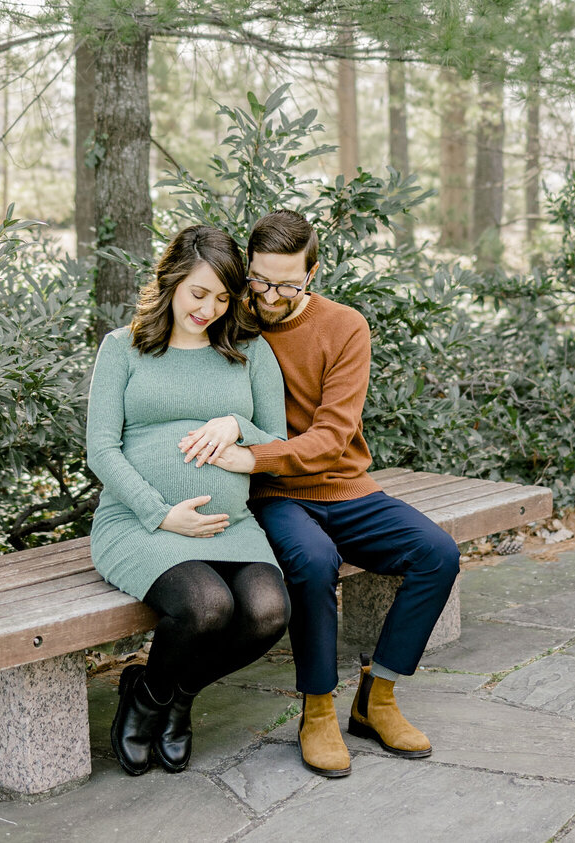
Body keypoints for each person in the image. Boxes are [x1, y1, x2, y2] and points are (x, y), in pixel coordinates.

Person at [189, 210, 460, 779]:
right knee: (313, 563)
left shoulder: (345, 326)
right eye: (260, 280)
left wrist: (253, 453)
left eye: (287, 284)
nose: (269, 295)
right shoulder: (228, 322)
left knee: (437, 554)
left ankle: (376, 697)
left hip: (344, 484)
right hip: (271, 495)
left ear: (313, 274)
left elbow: (333, 440)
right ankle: (317, 711)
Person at [86, 225, 291, 777]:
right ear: (172, 280)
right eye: (199, 293)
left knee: (269, 611)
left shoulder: (249, 351)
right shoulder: (122, 347)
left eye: (223, 298)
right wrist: (160, 514)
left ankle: (170, 694)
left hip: (230, 524)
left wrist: (235, 423)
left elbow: (276, 440)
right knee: (206, 606)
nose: (209, 308)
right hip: (139, 524)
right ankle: (149, 700)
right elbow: (101, 450)